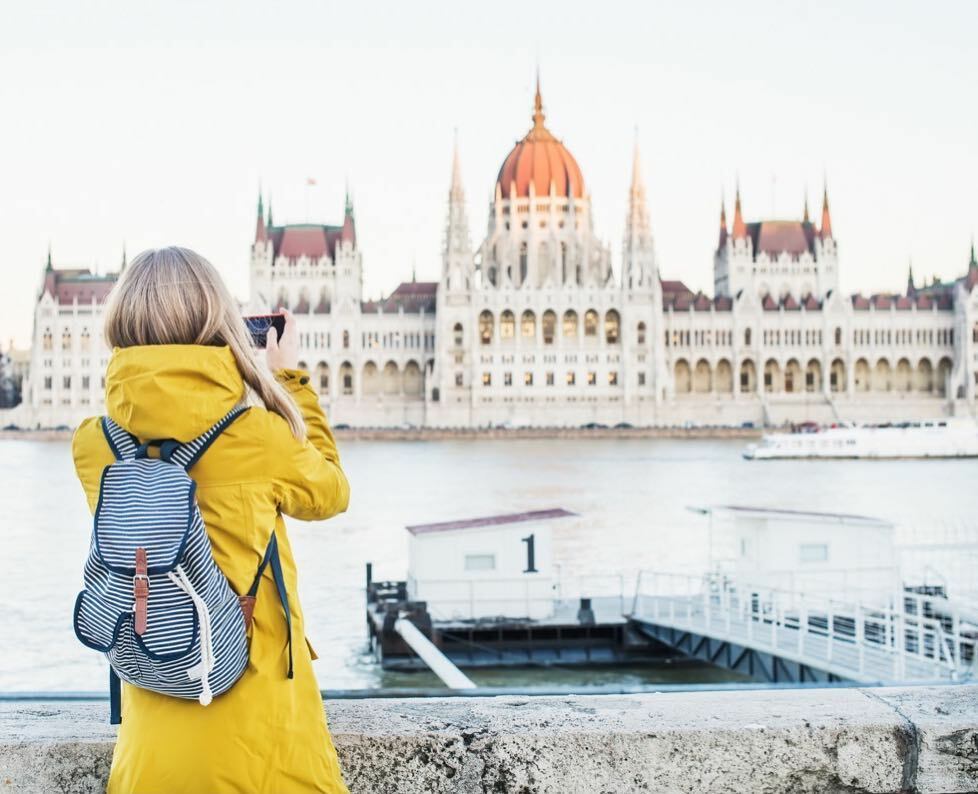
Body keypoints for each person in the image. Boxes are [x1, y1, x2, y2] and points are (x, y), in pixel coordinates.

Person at [71, 246, 351, 793]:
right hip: (264, 748)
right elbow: (332, 492)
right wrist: (288, 380)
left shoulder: (95, 447)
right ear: (217, 322)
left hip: (149, 750)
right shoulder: (259, 438)